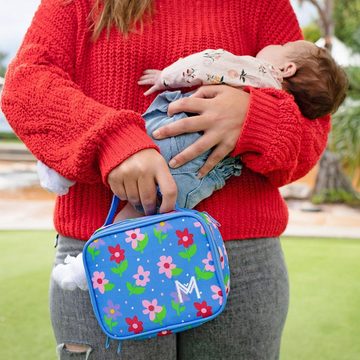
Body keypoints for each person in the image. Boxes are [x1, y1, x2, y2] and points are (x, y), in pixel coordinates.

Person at [1, 0, 333, 358]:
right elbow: (26, 84)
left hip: (241, 262)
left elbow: (312, 128)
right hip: (109, 249)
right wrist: (112, 141)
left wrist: (253, 117)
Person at [36, 41, 347, 219]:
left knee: (147, 130)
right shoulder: (286, 90)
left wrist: (167, 77)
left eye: (282, 46)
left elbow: (208, 62)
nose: (275, 44)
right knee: (147, 214)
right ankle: (109, 244)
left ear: (287, 68)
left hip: (173, 129)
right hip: (202, 176)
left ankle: (64, 169)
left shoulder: (258, 68)